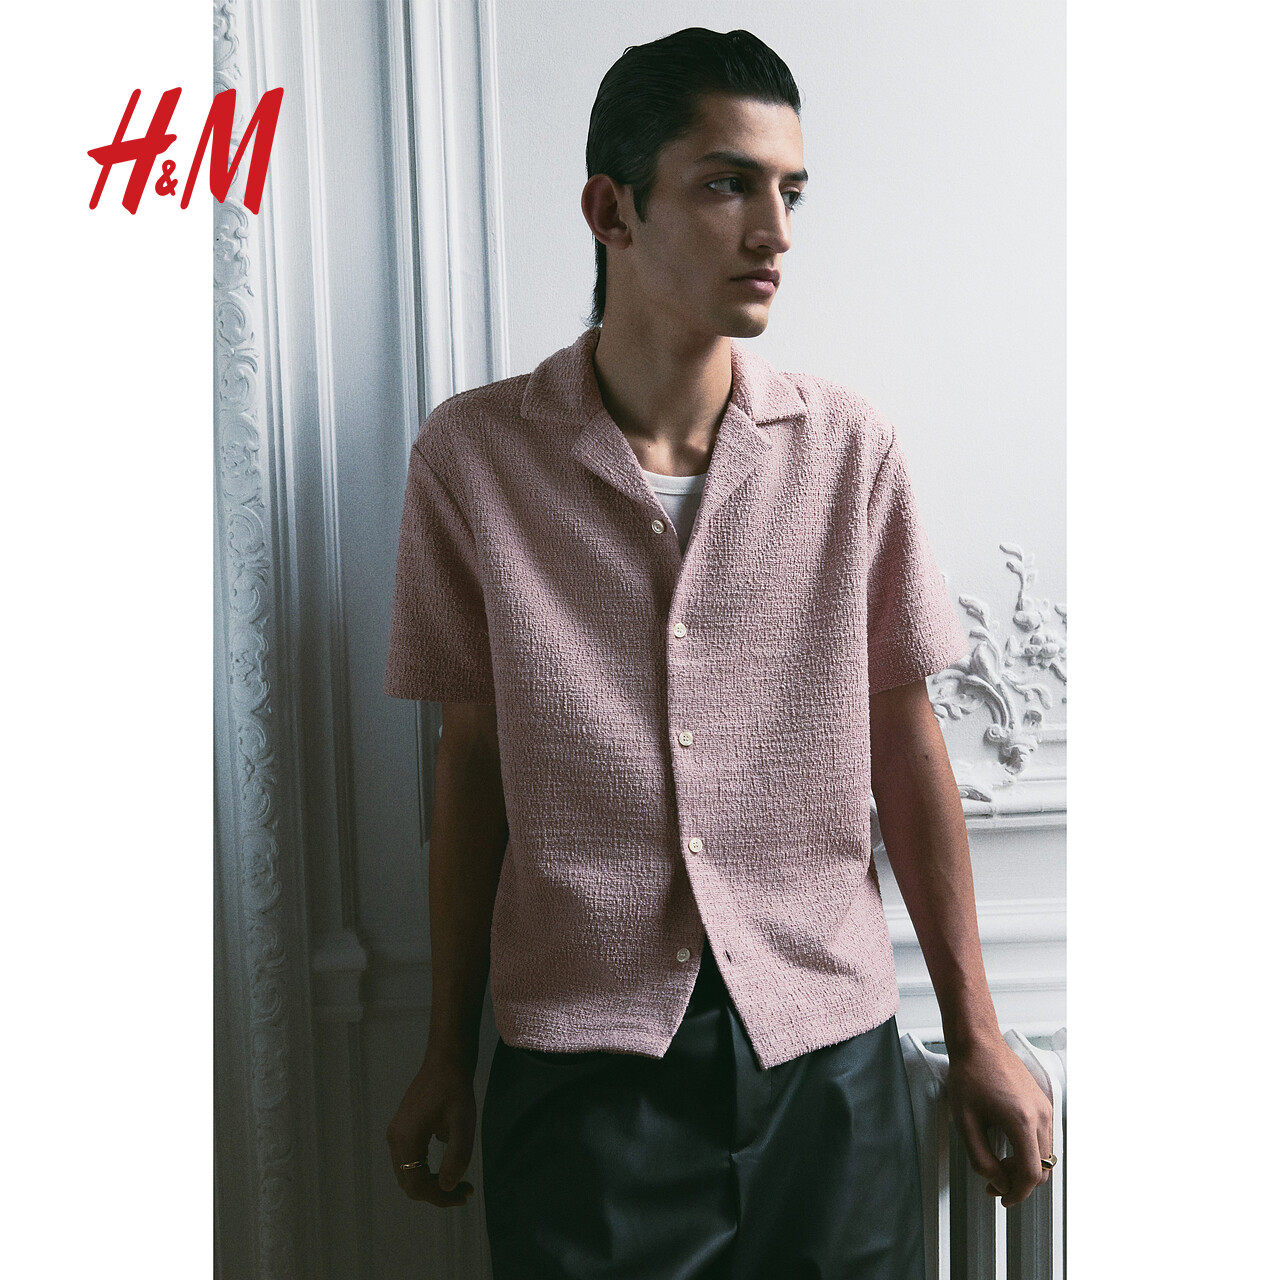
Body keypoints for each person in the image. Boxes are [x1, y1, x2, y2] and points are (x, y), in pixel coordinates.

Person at [382, 26, 1055, 1279]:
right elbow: (469, 766)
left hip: (827, 1065)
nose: (773, 231)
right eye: (726, 183)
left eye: (789, 190)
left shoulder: (845, 451)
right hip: (581, 1080)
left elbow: (904, 743)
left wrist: (976, 1034)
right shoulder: (473, 460)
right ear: (611, 210)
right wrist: (442, 1050)